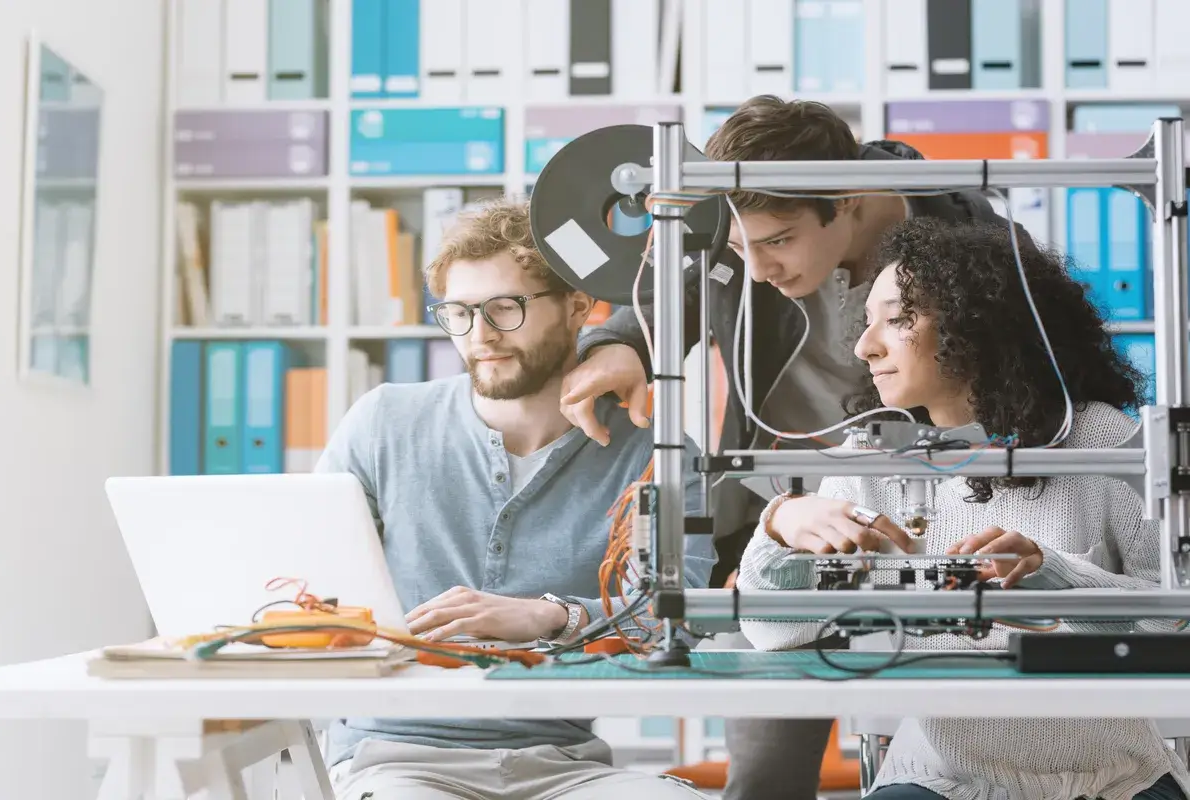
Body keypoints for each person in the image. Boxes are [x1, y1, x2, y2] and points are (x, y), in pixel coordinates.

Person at [562, 95, 1033, 799]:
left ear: (844, 200)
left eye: (778, 240)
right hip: (783, 520)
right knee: (767, 776)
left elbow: (1036, 387)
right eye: (739, 244)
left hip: (942, 523)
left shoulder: (974, 242)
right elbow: (674, 288)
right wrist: (619, 345)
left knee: (962, 760)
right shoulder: (741, 239)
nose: (755, 269)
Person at [739, 216, 1190, 800]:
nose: (864, 346)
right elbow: (770, 629)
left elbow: (1175, 622)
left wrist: (1056, 576)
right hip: (942, 781)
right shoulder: (874, 459)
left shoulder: (1099, 441)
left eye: (898, 320)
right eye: (868, 321)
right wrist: (779, 528)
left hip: (1117, 781)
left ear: (974, 326)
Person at [314, 198, 717, 800]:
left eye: (506, 308)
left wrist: (552, 616)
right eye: (460, 312)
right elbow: (307, 584)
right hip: (395, 760)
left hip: (563, 763)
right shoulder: (383, 423)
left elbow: (678, 618)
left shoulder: (655, 452)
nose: (481, 336)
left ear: (579, 307)